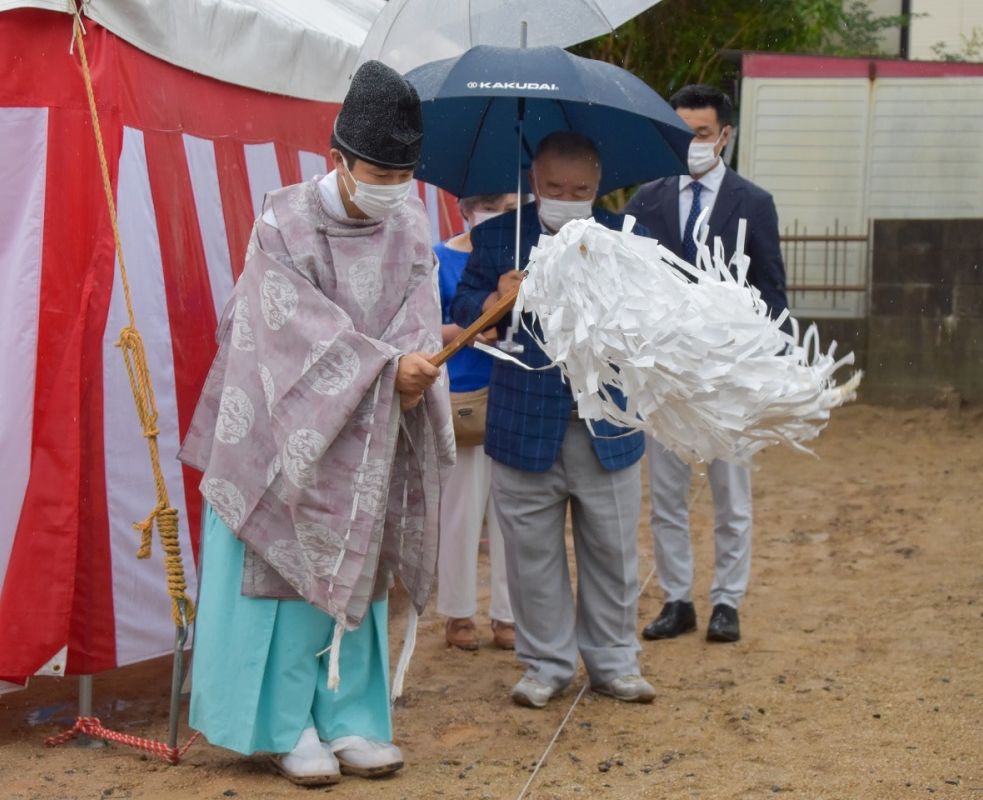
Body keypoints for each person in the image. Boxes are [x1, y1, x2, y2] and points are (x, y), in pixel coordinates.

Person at [178, 60, 455, 786]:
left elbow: (418, 312)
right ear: (337, 157)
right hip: (278, 431)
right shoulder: (283, 221)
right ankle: (281, 723)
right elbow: (290, 331)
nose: (391, 188)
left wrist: (415, 364)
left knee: (355, 569)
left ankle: (350, 717)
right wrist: (383, 371)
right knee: (280, 576)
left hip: (367, 428)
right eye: (377, 171)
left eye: (403, 173)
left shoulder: (410, 224)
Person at [451, 131, 655, 709]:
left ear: (599, 185)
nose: (569, 197)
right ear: (533, 181)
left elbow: (659, 312)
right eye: (557, 187)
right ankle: (545, 664)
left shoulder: (626, 238)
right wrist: (493, 299)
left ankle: (615, 662)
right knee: (531, 556)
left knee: (614, 552)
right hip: (520, 423)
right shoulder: (496, 238)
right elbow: (462, 312)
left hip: (607, 425)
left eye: (582, 189)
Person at [624, 84, 788, 645]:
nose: (689, 144)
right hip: (664, 375)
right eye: (679, 134)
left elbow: (773, 291)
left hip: (728, 377)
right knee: (665, 496)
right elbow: (626, 285)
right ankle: (677, 599)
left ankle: (727, 601)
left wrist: (758, 355)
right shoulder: (645, 200)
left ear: (724, 135)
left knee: (731, 493)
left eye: (698, 134)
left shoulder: (754, 202)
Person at [434, 193, 519, 651]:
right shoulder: (440, 258)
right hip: (464, 396)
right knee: (461, 511)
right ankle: (458, 613)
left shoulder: (528, 261)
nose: (498, 211)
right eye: (488, 202)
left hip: (517, 396)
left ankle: (508, 615)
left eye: (508, 205)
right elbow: (422, 326)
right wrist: (470, 330)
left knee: (514, 515)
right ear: (465, 208)